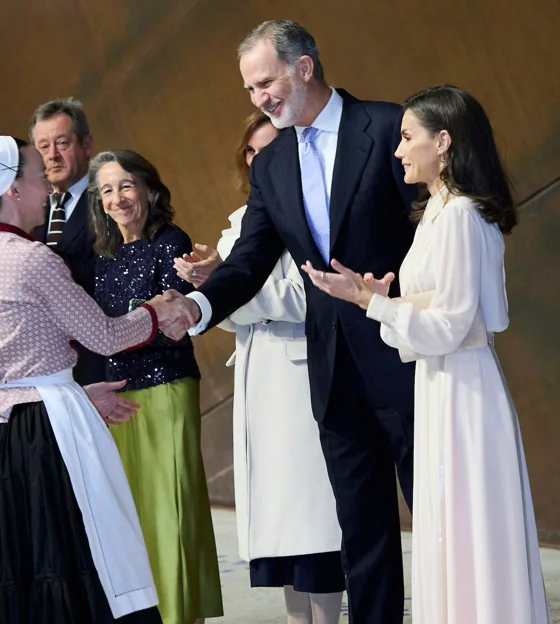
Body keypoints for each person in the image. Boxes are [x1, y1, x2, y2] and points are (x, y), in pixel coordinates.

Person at [165, 20, 417, 624]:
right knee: (362, 531)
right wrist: (198, 307)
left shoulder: (388, 127)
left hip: (407, 356)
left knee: (438, 512)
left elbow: (430, 226)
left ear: (304, 67)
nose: (259, 99)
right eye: (250, 90)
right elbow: (250, 258)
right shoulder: (272, 163)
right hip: (333, 371)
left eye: (266, 83)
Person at [302, 85, 551, 623]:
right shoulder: (438, 209)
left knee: (470, 525)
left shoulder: (461, 213)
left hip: (462, 387)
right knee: (450, 525)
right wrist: (378, 299)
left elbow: (455, 323)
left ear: (443, 142)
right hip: (442, 383)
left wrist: (374, 304)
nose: (398, 151)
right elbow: (441, 311)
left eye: (407, 138)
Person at [0, 135, 192, 623]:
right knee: (79, 549)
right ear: (13, 191)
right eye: (36, 176)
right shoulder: (34, 259)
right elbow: (104, 335)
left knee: (11, 555)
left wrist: (72, 392)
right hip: (48, 432)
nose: (46, 187)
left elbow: (17, 361)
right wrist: (156, 310)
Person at [175, 111, 345, 624]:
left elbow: (305, 296)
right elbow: (231, 316)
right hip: (258, 374)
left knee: (313, 522)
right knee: (278, 528)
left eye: (269, 148)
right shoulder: (239, 222)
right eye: (251, 152)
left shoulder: (314, 211)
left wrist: (226, 289)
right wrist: (216, 286)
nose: (259, 161)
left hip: (299, 375)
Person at [89, 149, 223, 624]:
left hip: (166, 388)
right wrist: (136, 314)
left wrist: (119, 323)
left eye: (126, 185)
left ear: (148, 189)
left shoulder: (171, 241)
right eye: (107, 189)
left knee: (172, 509)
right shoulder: (100, 257)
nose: (118, 197)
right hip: (115, 395)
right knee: (133, 516)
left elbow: (171, 321)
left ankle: (181, 616)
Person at [30, 97, 105, 384]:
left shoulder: (110, 198)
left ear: (86, 144)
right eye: (43, 147)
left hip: (107, 360)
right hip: (59, 370)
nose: (52, 156)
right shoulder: (34, 211)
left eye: (62, 143)